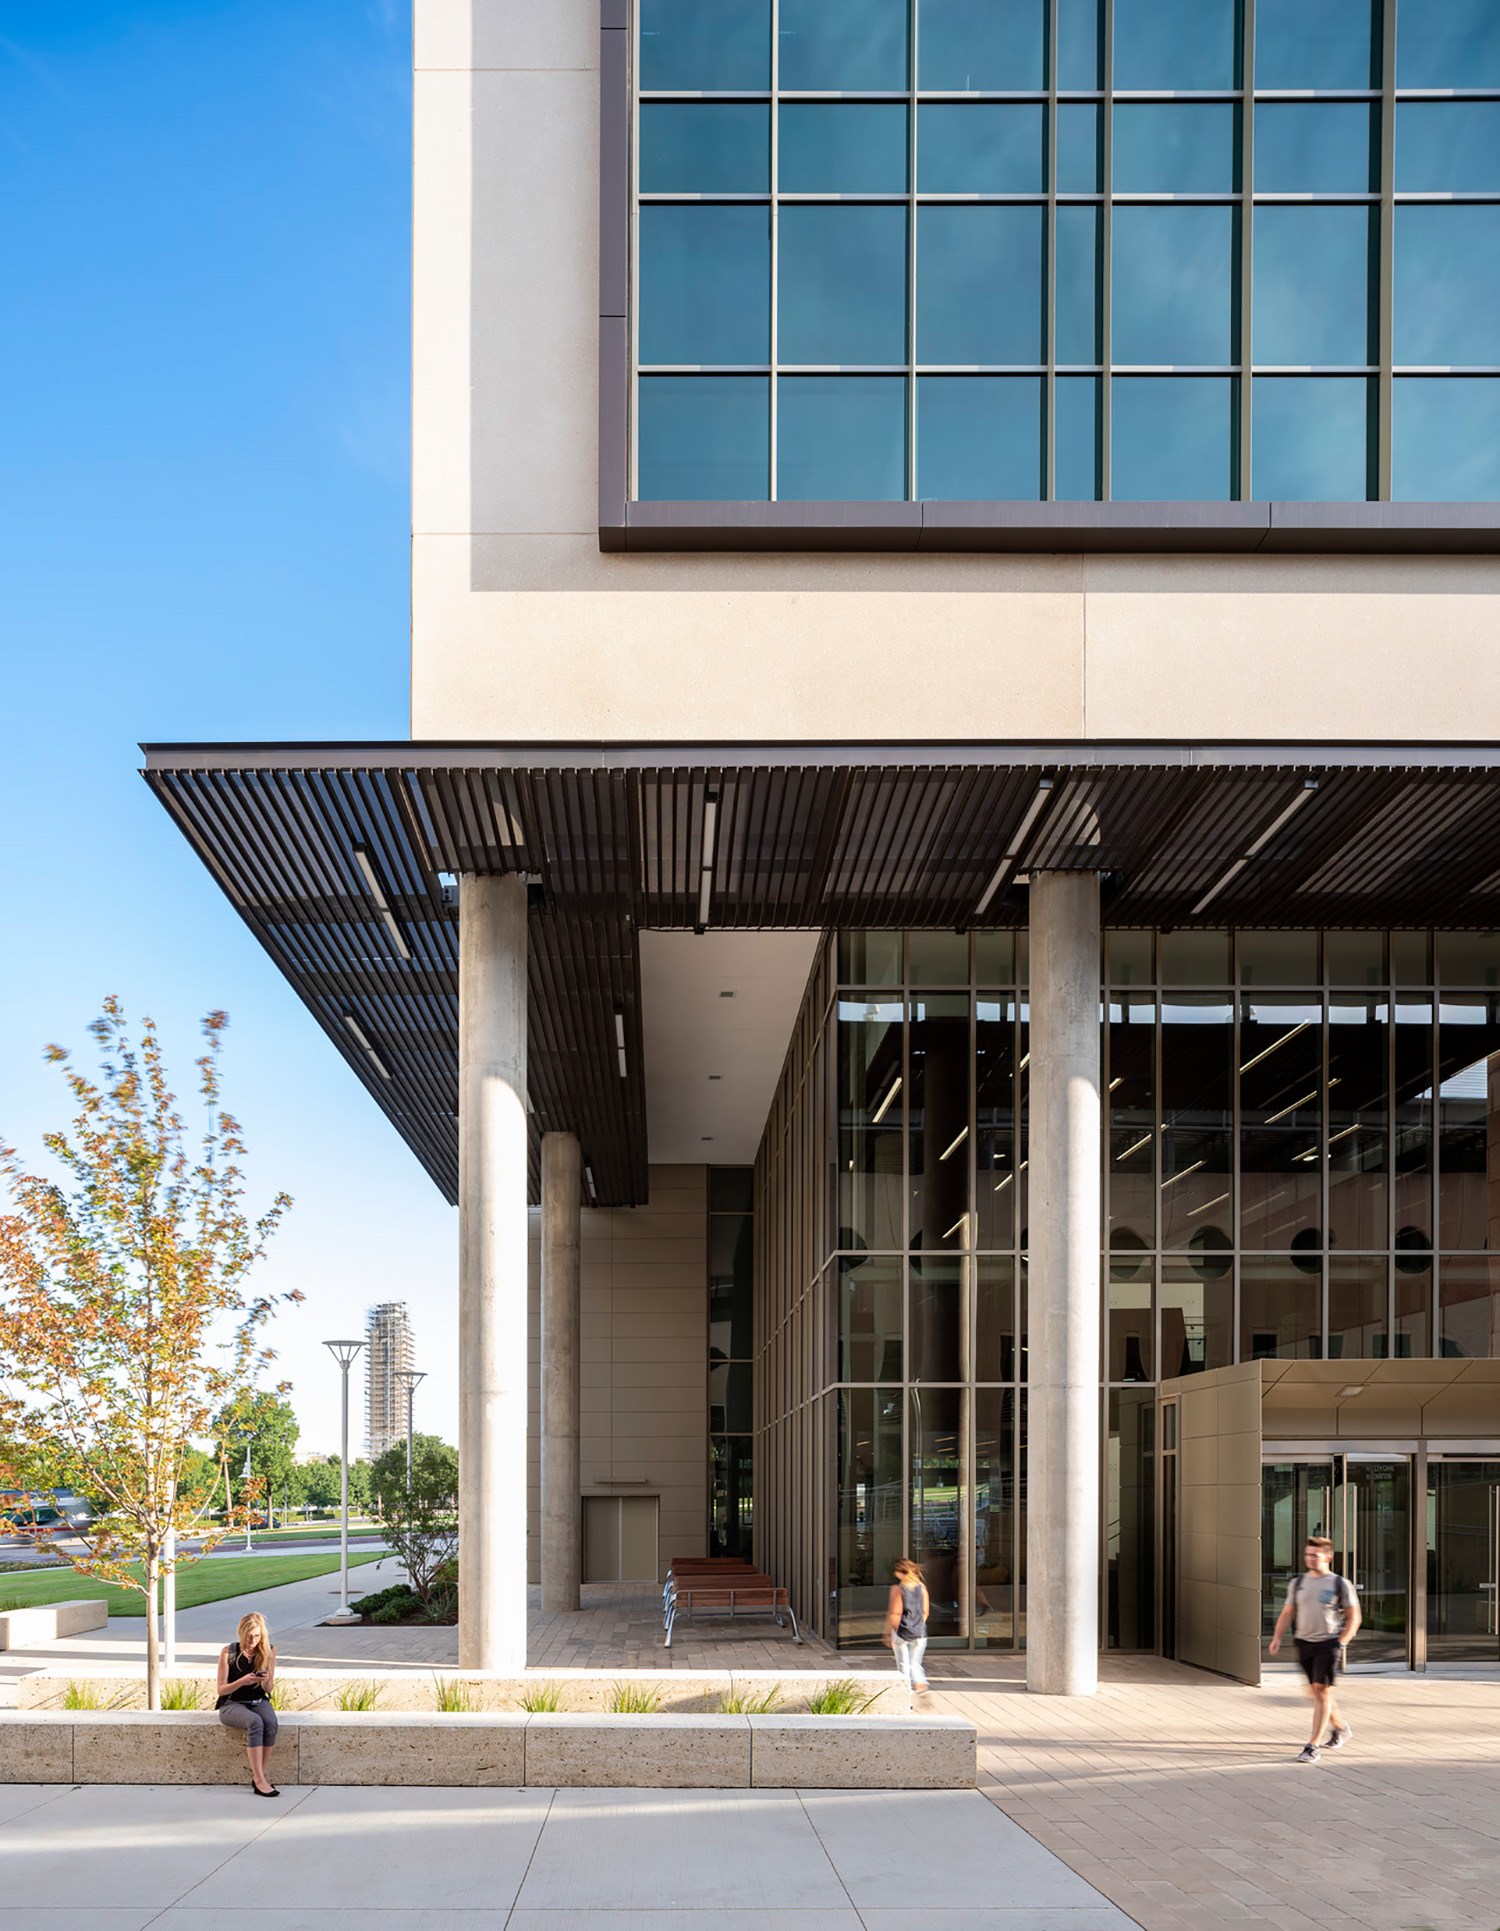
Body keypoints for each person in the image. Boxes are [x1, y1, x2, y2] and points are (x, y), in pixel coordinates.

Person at [1268, 1535, 1361, 1763]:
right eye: (1308, 1555)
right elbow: (1288, 1612)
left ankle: (1312, 1746)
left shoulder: (1340, 1584)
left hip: (1328, 1643)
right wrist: (1277, 1637)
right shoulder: (1298, 1583)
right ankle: (1340, 1728)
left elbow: (1354, 1617)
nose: (1310, 1559)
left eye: (1315, 1555)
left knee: (1321, 1690)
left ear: (1328, 1557)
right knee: (1316, 1692)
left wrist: (1342, 1642)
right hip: (1304, 1642)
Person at [217, 1611, 280, 1795]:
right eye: (249, 1636)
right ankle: (260, 1780)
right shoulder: (229, 1652)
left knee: (271, 1724)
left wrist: (267, 1679)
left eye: (257, 1636)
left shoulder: (268, 1651)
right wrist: (242, 1681)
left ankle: (258, 1777)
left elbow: (268, 1690)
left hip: (258, 1700)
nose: (252, 1640)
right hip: (232, 1703)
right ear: (241, 1633)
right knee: (255, 1722)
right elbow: (221, 1690)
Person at [884, 1558, 930, 1704]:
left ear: (900, 1572)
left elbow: (894, 1613)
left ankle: (906, 1699)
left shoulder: (898, 1589)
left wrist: (889, 1632)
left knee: (903, 1664)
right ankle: (920, 1683)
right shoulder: (922, 1588)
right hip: (919, 1632)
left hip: (902, 1632)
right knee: (915, 1662)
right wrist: (917, 1626)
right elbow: (925, 1612)